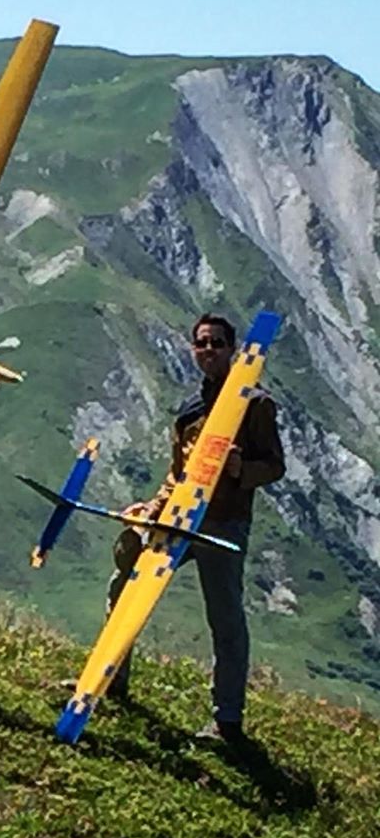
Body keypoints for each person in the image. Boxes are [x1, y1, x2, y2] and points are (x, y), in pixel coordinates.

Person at [106, 313, 285, 742]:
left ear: (232, 349)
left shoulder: (255, 404)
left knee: (225, 620)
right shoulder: (190, 408)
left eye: (217, 343)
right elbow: (178, 472)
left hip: (224, 526)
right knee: (124, 584)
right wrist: (155, 505)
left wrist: (243, 470)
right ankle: (110, 683)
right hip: (181, 519)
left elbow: (275, 466)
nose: (208, 350)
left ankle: (228, 722)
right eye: (202, 343)